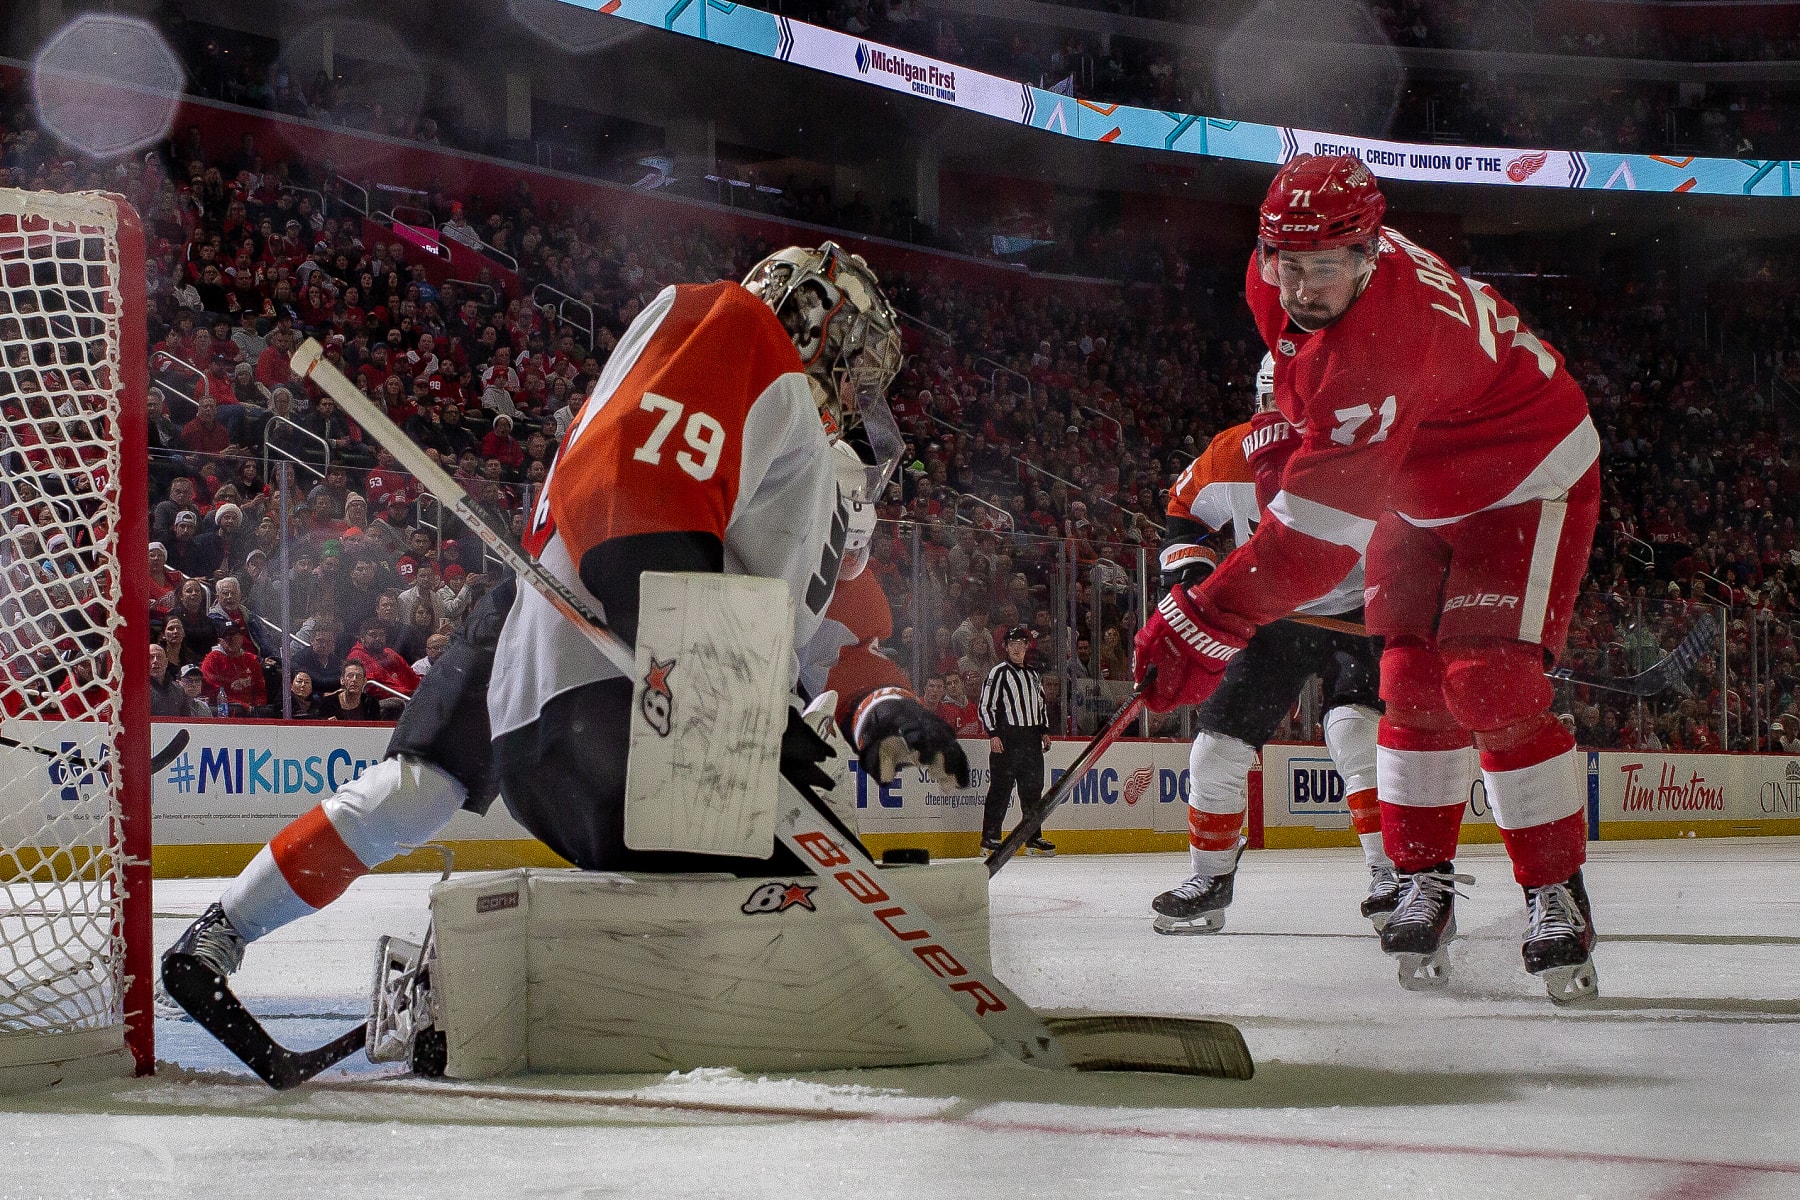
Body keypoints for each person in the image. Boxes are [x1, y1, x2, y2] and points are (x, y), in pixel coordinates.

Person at [165, 242, 969, 1026]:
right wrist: (725, 703)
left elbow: (831, 644)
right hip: (622, 693)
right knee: (825, 903)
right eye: (857, 366)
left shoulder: (799, 477)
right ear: (819, 326)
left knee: (415, 792)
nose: (858, 396)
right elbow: (632, 519)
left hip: (573, 664)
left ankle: (228, 933)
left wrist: (882, 707)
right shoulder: (738, 338)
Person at [1131, 155, 1601, 1003]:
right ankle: (1419, 877)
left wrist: (1203, 622)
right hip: (1416, 481)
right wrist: (1295, 425)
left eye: (1323, 268)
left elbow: (1314, 551)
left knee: (1488, 682)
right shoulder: (1284, 276)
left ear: (1371, 253)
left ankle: (1553, 890)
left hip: (1523, 476)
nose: (1301, 287)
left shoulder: (1384, 340)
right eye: (1287, 263)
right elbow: (1312, 392)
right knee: (1409, 684)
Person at [1149, 353, 1397, 935]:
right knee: (1216, 746)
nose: (1283, 419)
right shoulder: (1230, 453)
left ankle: (1393, 875)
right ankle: (1210, 877)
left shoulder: (1361, 447)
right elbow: (1183, 512)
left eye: (1298, 408)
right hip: (1276, 612)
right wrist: (1187, 579)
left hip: (1362, 609)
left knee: (1354, 733)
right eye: (1273, 406)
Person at [979, 626, 1054, 855]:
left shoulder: (1032, 674)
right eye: (1012, 644)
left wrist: (1043, 730)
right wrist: (993, 734)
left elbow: (1040, 704)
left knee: (1033, 790)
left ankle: (1033, 837)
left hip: (1031, 739)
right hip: (1008, 738)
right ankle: (990, 837)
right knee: (1001, 789)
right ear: (1005, 647)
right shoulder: (999, 672)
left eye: (1021, 644)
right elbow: (986, 705)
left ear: (1027, 646)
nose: (1016, 648)